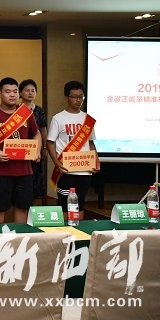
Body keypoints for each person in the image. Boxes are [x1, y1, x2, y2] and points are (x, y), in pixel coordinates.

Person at [0, 77, 41, 224]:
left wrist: (37, 151)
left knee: (22, 208)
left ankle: (19, 238)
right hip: (0, 171)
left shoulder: (25, 113)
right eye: (7, 91)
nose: (12, 95)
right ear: (0, 93)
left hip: (24, 171)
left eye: (15, 91)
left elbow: (36, 133)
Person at [47, 81, 100, 220]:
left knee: (80, 203)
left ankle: (78, 230)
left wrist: (96, 160)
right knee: (64, 204)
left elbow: (91, 143)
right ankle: (65, 232)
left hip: (84, 169)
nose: (78, 100)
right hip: (66, 169)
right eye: (74, 97)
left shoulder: (87, 119)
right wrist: (56, 163)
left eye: (81, 97)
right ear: (66, 98)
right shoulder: (58, 118)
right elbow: (50, 142)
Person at [19, 79, 49, 200]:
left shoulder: (39, 110)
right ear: (20, 93)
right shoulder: (15, 109)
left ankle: (33, 206)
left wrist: (44, 147)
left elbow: (43, 130)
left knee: (35, 178)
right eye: (27, 90)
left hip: (35, 149)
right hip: (20, 149)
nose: (30, 93)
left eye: (33, 90)